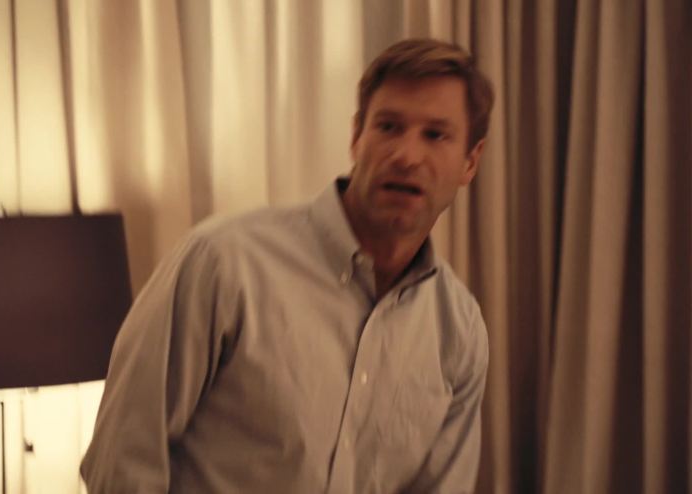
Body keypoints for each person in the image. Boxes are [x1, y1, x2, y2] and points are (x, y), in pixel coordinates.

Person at [81, 37, 494, 493]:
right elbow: (123, 460)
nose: (406, 155)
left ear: (470, 162)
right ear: (357, 137)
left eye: (435, 135)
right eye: (389, 126)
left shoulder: (459, 330)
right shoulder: (222, 264)